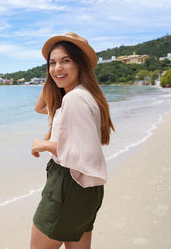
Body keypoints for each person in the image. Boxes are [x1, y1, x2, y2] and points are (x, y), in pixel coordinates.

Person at [30, 32, 115, 249]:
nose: (58, 67)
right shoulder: (86, 95)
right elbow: (40, 107)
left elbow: (83, 153)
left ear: (80, 64)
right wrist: (55, 75)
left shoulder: (75, 99)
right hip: (87, 188)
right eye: (52, 63)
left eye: (66, 61)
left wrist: (44, 144)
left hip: (68, 184)